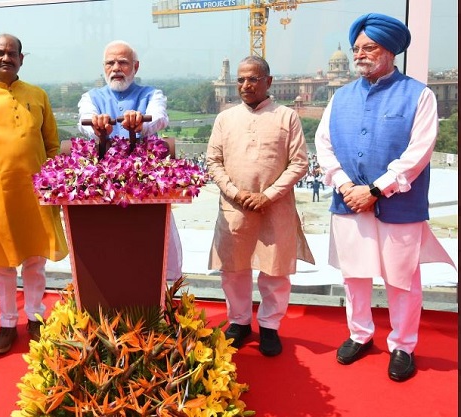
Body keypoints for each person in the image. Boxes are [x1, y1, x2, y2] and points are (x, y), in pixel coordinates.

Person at [314, 13, 456, 382]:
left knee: (402, 278)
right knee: (355, 276)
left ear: (390, 50)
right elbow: (324, 145)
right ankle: (360, 334)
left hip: (399, 204)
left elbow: (419, 151)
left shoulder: (418, 95)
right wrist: (347, 186)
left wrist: (377, 190)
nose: (360, 54)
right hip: (349, 202)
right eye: (356, 48)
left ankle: (403, 345)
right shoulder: (340, 97)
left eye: (369, 47)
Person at [0, 34, 68, 355]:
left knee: (35, 261)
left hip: (36, 194)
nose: (6, 58)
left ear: (22, 59)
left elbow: (51, 146)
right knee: (2, 266)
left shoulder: (38, 95)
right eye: (0, 53)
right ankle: (7, 322)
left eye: (12, 53)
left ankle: (35, 317)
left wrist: (55, 185)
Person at [206, 56, 315, 355]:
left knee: (275, 270)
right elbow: (213, 161)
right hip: (235, 207)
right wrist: (234, 192)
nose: (245, 85)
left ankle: (270, 326)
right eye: (240, 79)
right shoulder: (225, 118)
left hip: (274, 206)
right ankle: (239, 321)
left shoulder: (286, 117)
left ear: (269, 81)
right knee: (234, 268)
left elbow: (299, 163)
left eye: (253, 79)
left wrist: (268, 195)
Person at [77, 39, 182, 282]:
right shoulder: (91, 97)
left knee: (156, 244)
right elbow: (85, 120)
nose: (116, 68)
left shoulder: (151, 94)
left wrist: (141, 122)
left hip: (145, 183)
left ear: (135, 67)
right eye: (110, 63)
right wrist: (97, 127)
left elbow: (159, 118)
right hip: (104, 185)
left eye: (123, 62)